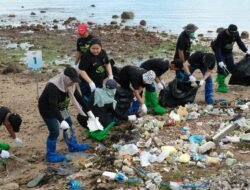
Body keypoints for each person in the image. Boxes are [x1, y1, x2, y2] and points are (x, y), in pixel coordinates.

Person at [38, 67, 99, 163]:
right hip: (48, 110)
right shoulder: (53, 86)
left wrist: (89, 112)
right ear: (66, 78)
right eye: (72, 80)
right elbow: (53, 105)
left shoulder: (71, 85)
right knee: (54, 131)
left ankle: (72, 145)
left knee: (69, 123)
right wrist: (61, 120)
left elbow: (80, 99)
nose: (73, 83)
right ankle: (50, 154)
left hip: (61, 108)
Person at [212, 24, 250, 93]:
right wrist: (220, 60)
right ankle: (221, 85)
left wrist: (246, 50)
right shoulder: (221, 35)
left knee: (231, 68)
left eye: (234, 33)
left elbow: (239, 42)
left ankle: (220, 78)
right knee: (221, 69)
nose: (233, 35)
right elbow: (218, 48)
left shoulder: (236, 33)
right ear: (228, 30)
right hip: (221, 53)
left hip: (228, 53)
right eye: (231, 33)